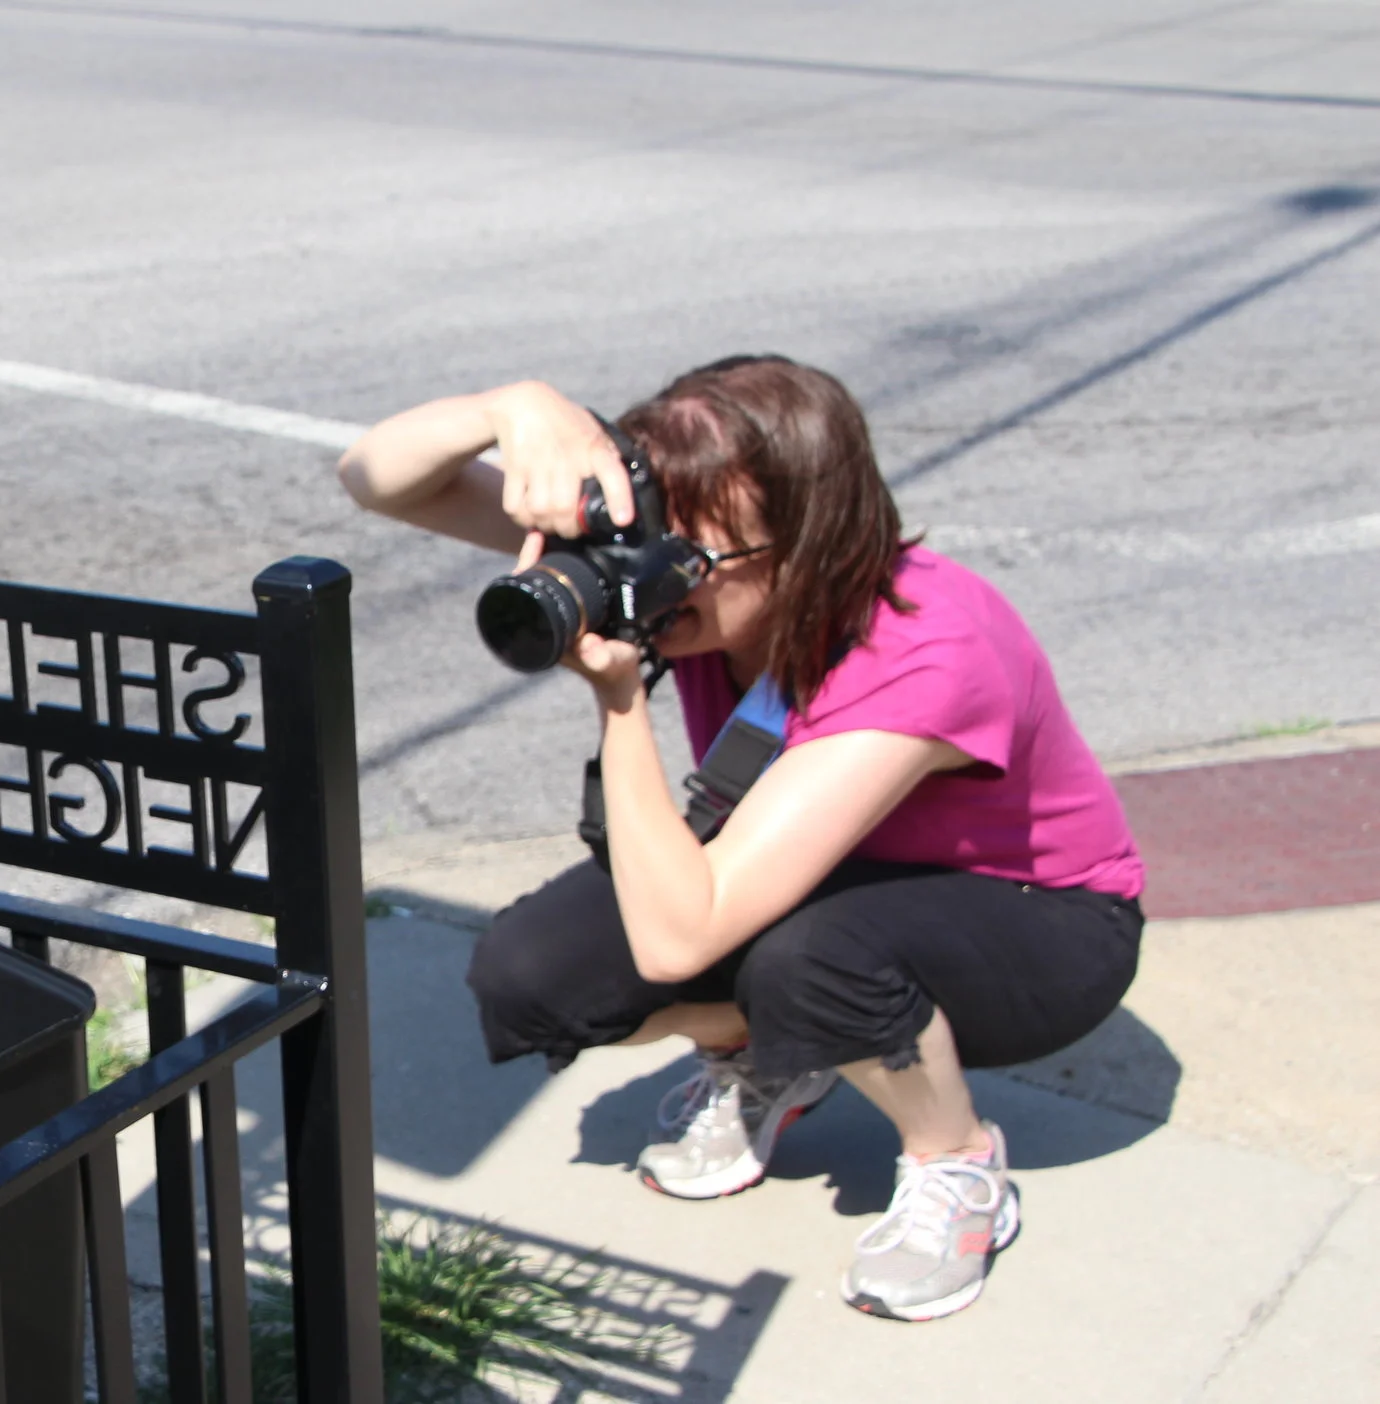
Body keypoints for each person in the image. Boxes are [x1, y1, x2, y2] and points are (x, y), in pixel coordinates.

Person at [335, 356, 1144, 1322]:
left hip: (1038, 921)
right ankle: (788, 1055)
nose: (650, 573)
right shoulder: (684, 562)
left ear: (806, 547)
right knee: (535, 975)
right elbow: (376, 477)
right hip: (819, 863)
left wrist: (622, 704)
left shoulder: (927, 647)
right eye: (641, 537)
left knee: (811, 962)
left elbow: (683, 940)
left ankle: (956, 1164)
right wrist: (514, 408)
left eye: (690, 560)